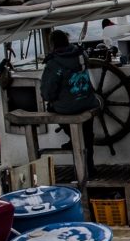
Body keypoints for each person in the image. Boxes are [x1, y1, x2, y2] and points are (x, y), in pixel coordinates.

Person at [41, 30, 100, 177]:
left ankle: (73, 139)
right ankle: (90, 169)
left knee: (51, 108)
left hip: (67, 108)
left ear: (52, 44)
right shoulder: (82, 55)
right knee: (87, 135)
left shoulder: (53, 63)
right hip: (88, 103)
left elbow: (47, 93)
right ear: (67, 41)